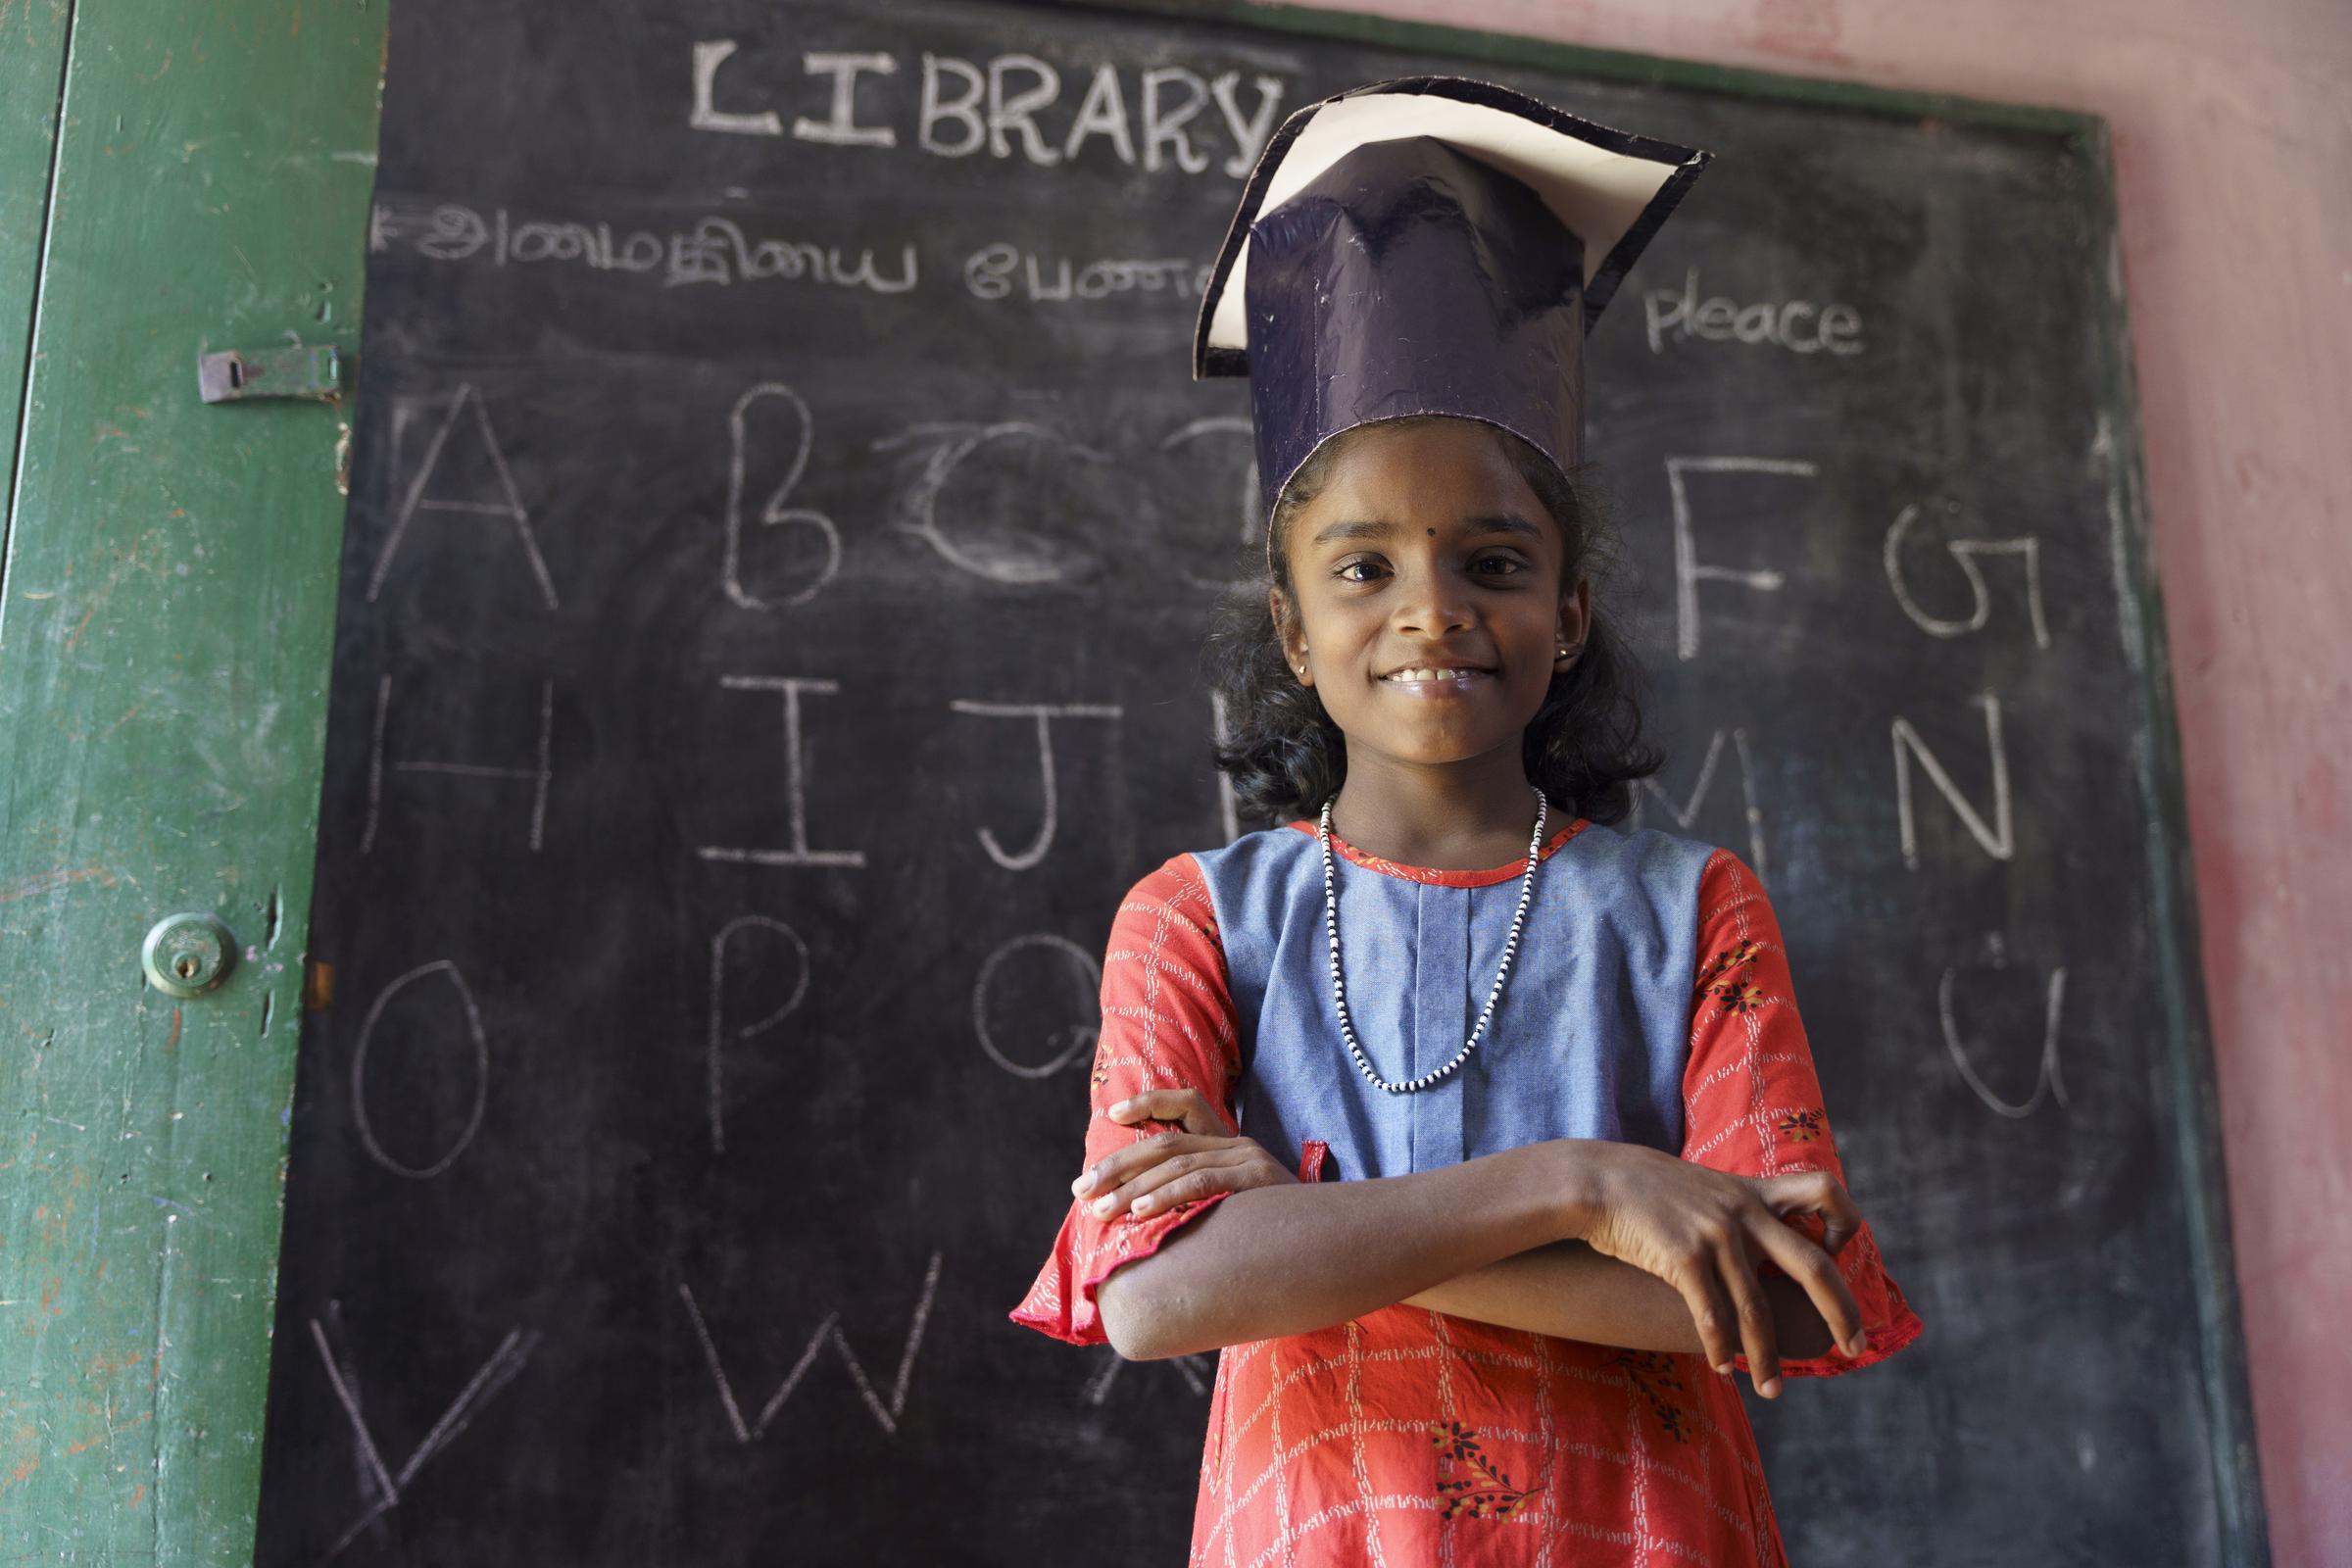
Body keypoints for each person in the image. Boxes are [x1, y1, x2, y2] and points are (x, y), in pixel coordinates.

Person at [1009, 76, 1923, 1565]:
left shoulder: (1691, 910)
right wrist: (1585, 1185)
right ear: (1294, 628)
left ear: (1567, 609)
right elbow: (1158, 1294)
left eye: (1493, 558)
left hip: (1642, 1532)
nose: (1432, 606)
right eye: (1362, 568)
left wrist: (1300, 1224)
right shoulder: (1196, 917)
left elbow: (1781, 1296)